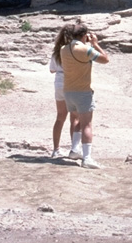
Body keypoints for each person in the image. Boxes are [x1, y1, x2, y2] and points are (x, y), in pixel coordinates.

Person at [58, 22, 110, 169]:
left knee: (78, 121)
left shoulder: (63, 49)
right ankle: (87, 158)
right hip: (83, 92)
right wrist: (95, 43)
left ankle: (75, 150)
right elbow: (105, 59)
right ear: (84, 35)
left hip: (68, 91)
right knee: (87, 124)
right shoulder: (86, 49)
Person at [49, 22, 81, 160]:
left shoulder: (57, 51)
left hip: (59, 84)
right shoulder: (75, 50)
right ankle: (74, 149)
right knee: (75, 117)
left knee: (60, 117)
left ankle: (56, 150)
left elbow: (52, 70)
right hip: (72, 84)